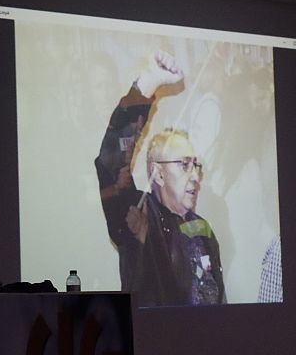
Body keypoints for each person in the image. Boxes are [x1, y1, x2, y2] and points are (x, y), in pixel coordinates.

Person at [95, 50, 226, 307]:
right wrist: (148, 83)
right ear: (158, 173)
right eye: (184, 165)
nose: (195, 176)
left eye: (196, 166)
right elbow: (111, 161)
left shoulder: (203, 228)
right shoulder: (138, 215)